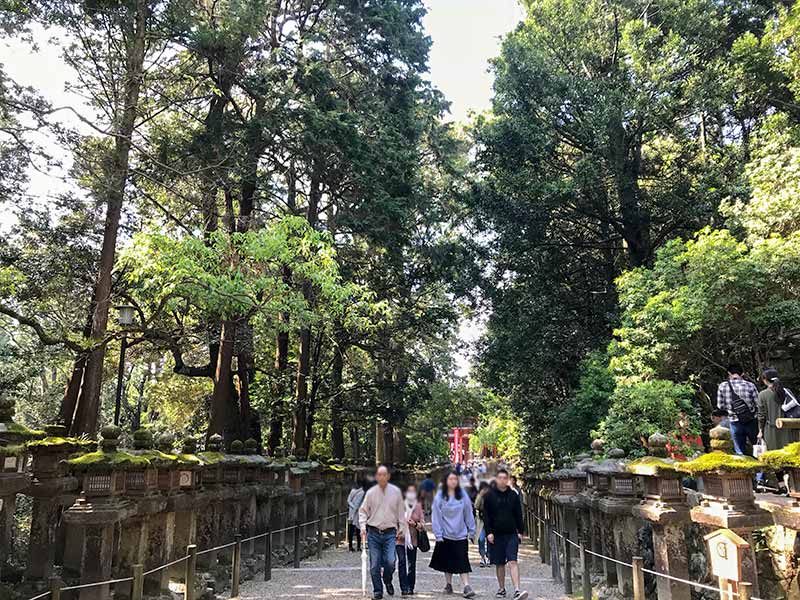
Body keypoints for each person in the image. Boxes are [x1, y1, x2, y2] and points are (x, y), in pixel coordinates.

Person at [359, 465, 405, 599]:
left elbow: (401, 512)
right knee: (374, 565)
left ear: (388, 477)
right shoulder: (371, 493)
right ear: (376, 477)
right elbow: (363, 511)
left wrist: (401, 528)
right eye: (379, 475)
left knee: (391, 561)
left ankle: (387, 580)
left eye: (384, 475)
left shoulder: (396, 492)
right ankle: (377, 590)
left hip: (390, 533)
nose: (382, 477)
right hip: (373, 532)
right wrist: (362, 527)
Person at [483, 468, 528, 600]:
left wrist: (520, 531)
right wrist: (489, 532)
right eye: (500, 478)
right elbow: (486, 516)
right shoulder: (490, 495)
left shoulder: (513, 495)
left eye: (505, 478)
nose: (502, 480)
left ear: (508, 479)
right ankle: (502, 588)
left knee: (513, 560)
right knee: (500, 563)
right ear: (496, 479)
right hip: (496, 534)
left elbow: (518, 514)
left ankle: (517, 589)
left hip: (511, 533)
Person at [430, 471, 477, 598]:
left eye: (455, 479)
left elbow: (468, 513)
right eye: (450, 479)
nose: (453, 481)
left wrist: (472, 531)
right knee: (447, 560)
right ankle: (448, 583)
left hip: (461, 534)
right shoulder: (440, 496)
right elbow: (436, 516)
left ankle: (467, 586)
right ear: (446, 481)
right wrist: (438, 534)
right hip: (446, 534)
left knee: (463, 560)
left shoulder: (463, 496)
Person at [716, 364, 759, 455]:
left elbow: (720, 406)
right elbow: (758, 404)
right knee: (757, 446)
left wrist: (731, 408)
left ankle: (744, 467)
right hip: (750, 420)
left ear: (729, 373)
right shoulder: (750, 385)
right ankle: (761, 468)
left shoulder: (722, 386)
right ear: (742, 374)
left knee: (739, 451)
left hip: (734, 421)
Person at [758, 367, 800, 451]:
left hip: (771, 430)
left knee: (774, 456)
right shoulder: (787, 391)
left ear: (765, 380)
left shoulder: (762, 394)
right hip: (789, 429)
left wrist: (760, 430)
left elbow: (761, 415)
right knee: (790, 454)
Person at [396, 483, 425, 596]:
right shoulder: (399, 506)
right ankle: (403, 587)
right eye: (409, 491)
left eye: (413, 492)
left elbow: (422, 523)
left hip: (413, 540)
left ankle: (410, 587)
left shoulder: (418, 506)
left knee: (411, 564)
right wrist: (397, 530)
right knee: (402, 562)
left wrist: (415, 524)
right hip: (400, 539)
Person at [474, 481, 491, 567]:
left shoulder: (493, 496)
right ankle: (482, 556)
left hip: (491, 522)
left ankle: (488, 556)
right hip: (482, 521)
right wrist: (480, 495)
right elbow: (476, 506)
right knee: (481, 539)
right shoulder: (480, 496)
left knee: (490, 540)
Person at [348, 479, 367, 551]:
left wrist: (351, 508)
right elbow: (357, 504)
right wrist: (354, 510)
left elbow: (348, 500)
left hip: (351, 512)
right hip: (357, 513)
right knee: (358, 529)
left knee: (351, 529)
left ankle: (350, 546)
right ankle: (358, 546)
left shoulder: (352, 491)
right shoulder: (361, 492)